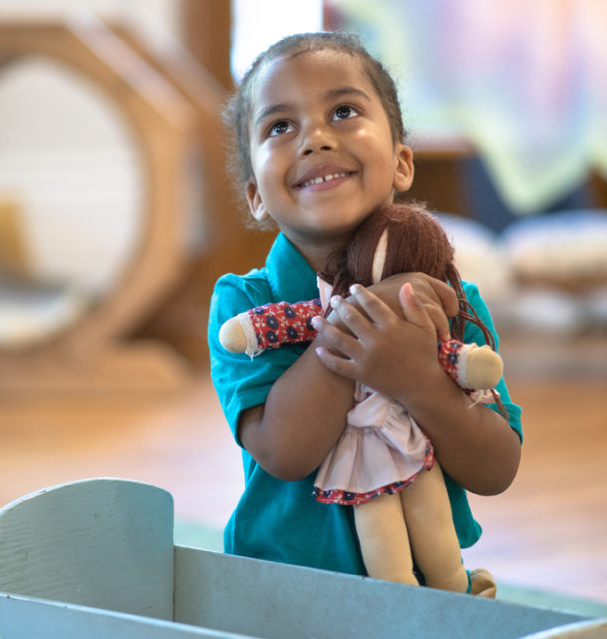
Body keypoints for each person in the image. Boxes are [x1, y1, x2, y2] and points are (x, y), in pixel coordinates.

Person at [207, 31, 523, 593]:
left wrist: (421, 381)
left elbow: (496, 468)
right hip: (285, 591)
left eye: (344, 111)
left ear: (402, 163)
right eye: (280, 126)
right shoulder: (245, 309)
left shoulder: (454, 302)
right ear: (256, 195)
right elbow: (283, 451)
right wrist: (367, 315)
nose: (315, 139)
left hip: (428, 588)